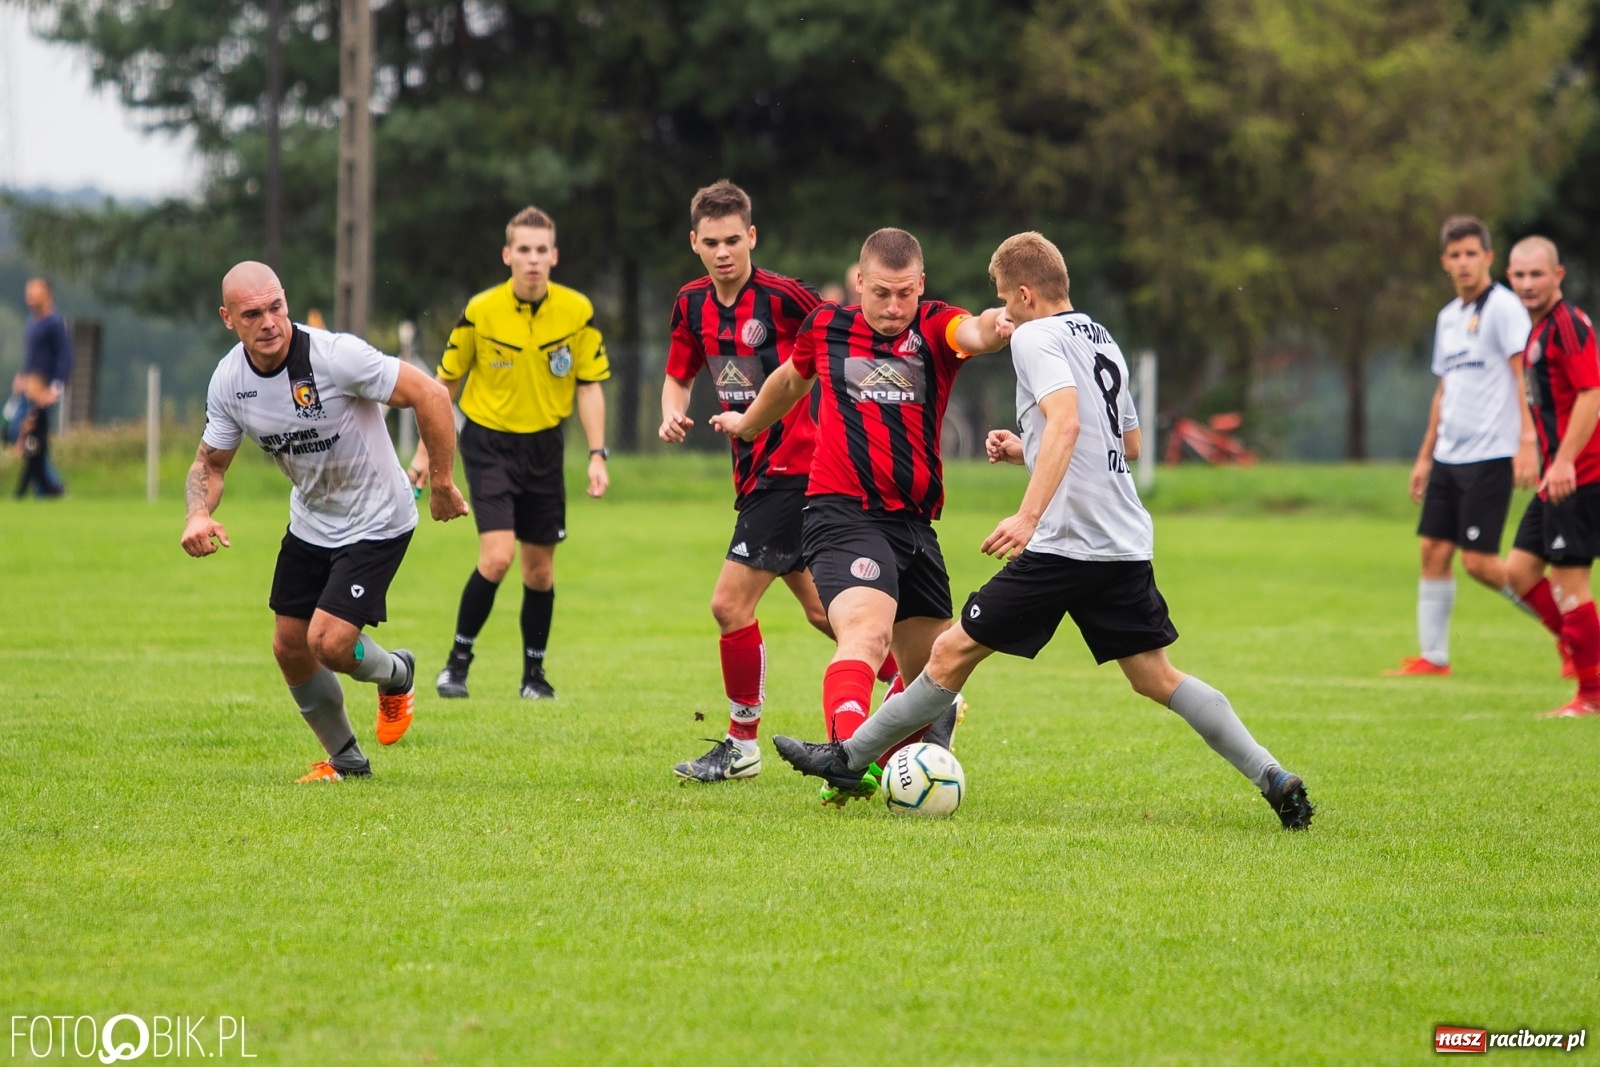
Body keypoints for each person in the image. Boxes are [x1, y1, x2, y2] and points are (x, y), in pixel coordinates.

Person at [773, 233, 1316, 829]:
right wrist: (1024, 449)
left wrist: (1027, 516)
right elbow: (1126, 444)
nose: (1006, 310)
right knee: (1156, 676)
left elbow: (1066, 424)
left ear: (1025, 293)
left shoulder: (1033, 336)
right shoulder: (1100, 336)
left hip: (1064, 547)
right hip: (1123, 542)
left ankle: (849, 758)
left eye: (1007, 298)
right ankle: (1272, 775)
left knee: (949, 652)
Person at [711, 227, 1012, 804]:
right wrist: (748, 422)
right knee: (865, 633)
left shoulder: (935, 326)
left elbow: (975, 330)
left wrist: (999, 324)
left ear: (921, 286)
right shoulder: (826, 326)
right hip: (841, 512)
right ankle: (848, 758)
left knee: (931, 676)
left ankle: (904, 753)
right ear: (858, 283)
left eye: (905, 293)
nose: (894, 308)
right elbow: (789, 381)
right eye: (881, 294)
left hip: (916, 525)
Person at [180, 261, 468, 782]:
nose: (269, 322)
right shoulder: (229, 381)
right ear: (228, 318)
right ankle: (348, 762)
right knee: (290, 646)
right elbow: (210, 464)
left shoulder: (336, 357)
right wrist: (198, 512)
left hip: (379, 517)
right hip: (312, 520)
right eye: (252, 314)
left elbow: (431, 394)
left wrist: (442, 482)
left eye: (276, 307)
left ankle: (397, 674)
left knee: (331, 643)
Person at [660, 180, 871, 783]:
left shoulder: (783, 296)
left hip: (796, 469)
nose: (724, 251)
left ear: (751, 237)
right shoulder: (691, 303)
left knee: (729, 605)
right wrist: (671, 409)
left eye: (734, 240)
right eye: (712, 242)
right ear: (695, 243)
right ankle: (924, 693)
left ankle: (741, 741)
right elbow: (679, 372)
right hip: (756, 475)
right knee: (826, 613)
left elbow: (844, 335)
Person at [412, 207, 611, 701]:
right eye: (523, 250)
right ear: (507, 255)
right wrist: (424, 456)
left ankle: (533, 677)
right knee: (497, 557)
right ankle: (457, 665)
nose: (533, 260)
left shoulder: (577, 311)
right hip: (488, 443)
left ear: (554, 256)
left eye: (542, 250)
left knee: (539, 569)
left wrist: (597, 454)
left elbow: (589, 386)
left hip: (545, 447)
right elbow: (444, 386)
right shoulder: (481, 311)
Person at [1386, 216, 1539, 677]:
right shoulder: (1448, 318)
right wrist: (1424, 456)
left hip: (1491, 453)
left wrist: (1527, 441)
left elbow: (1523, 375)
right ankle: (1434, 657)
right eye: (1455, 255)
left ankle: (1576, 634)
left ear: (1489, 258)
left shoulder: (1505, 308)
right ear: (1444, 263)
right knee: (1433, 549)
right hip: (1450, 455)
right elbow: (1444, 390)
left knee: (1480, 563)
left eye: (1472, 253)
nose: (1464, 262)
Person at [1500, 236, 1600, 717]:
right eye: (1518, 275)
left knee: (1570, 587)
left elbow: (1590, 394)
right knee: (1518, 574)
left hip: (1578, 477)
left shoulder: (1568, 326)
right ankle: (1586, 647)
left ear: (1557, 276)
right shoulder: (1537, 331)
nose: (1527, 284)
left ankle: (1592, 694)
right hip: (1557, 477)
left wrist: (1561, 461)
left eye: (1536, 274)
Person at [15, 278, 73, 498]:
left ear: (47, 294)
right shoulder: (33, 322)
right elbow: (34, 359)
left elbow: (65, 357)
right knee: (27, 436)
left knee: (28, 435)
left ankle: (52, 486)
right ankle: (44, 488)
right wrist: (21, 377)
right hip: (27, 389)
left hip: (42, 392)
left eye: (34, 292)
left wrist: (55, 389)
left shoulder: (54, 323)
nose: (28, 296)